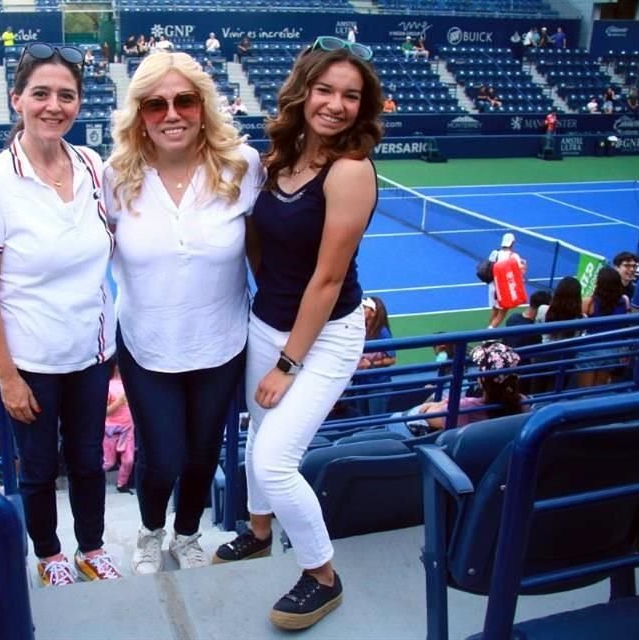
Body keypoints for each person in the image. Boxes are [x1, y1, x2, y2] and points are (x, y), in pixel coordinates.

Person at [212, 35, 383, 631]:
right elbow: (261, 242)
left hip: (325, 336)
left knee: (275, 458)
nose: (336, 104)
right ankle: (260, 533)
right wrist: (270, 317)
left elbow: (329, 278)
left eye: (351, 96)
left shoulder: (352, 171)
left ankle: (321, 574)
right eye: (326, 90)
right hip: (269, 321)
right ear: (304, 91)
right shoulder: (280, 158)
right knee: (259, 436)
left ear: (364, 107)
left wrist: (287, 364)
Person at [0, 42, 120, 587]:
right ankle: (49, 555)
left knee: (87, 460)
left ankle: (92, 548)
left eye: (67, 95)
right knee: (38, 468)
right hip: (28, 361)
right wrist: (7, 377)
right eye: (41, 93)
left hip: (91, 354)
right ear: (17, 100)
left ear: (79, 103)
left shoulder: (94, 166)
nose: (55, 105)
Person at [103, 50, 263, 577]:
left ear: (203, 105)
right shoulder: (115, 177)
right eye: (155, 104)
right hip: (147, 344)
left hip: (221, 343)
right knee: (162, 456)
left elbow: (272, 250)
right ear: (139, 114)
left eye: (184, 100)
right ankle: (151, 533)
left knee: (201, 455)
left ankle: (188, 533)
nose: (171, 114)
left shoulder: (242, 167)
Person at [413, 341, 528, 430]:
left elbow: (427, 414)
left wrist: (444, 402)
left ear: (482, 379)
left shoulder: (464, 407)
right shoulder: (523, 402)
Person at [578, 267, 631, 387]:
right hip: (611, 350)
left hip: (589, 350)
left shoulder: (589, 302)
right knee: (599, 390)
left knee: (584, 392)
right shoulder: (624, 300)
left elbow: (578, 325)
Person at [357, 296, 395, 416]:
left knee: (375, 422)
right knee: (362, 421)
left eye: (364, 308)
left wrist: (371, 364)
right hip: (360, 382)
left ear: (373, 312)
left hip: (378, 384)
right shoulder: (360, 330)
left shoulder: (382, 332)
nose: (361, 310)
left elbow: (392, 359)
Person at [102, 365, 134, 493]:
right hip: (111, 429)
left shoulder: (130, 384)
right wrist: (119, 402)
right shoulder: (108, 386)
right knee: (108, 462)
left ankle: (121, 484)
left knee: (129, 460)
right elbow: (104, 412)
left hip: (128, 429)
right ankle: (92, 480)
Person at [486, 232, 526, 328]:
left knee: (494, 310)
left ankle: (489, 333)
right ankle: (487, 335)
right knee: (502, 313)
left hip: (492, 287)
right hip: (504, 289)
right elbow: (520, 273)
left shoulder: (494, 253)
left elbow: (489, 267)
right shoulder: (514, 256)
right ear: (512, 243)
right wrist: (525, 266)